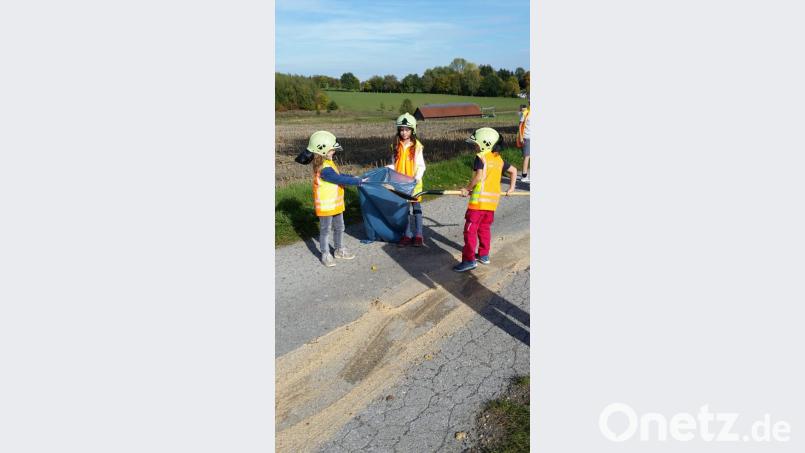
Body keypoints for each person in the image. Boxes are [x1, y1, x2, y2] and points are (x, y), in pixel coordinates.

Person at [453, 127, 517, 272]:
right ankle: (484, 255)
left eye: (476, 144)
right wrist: (511, 188)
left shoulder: (481, 157)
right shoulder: (498, 159)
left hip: (478, 204)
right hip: (491, 205)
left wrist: (467, 189)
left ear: (484, 144)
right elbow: (514, 171)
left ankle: (469, 260)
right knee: (484, 228)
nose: (475, 147)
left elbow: (479, 177)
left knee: (470, 231)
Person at [308, 130, 366, 267]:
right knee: (325, 230)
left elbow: (339, 175)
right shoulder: (324, 169)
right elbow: (338, 179)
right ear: (322, 150)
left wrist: (353, 177)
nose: (334, 151)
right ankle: (325, 254)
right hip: (326, 207)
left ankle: (339, 250)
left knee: (340, 227)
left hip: (336, 204)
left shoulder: (329, 163)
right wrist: (357, 182)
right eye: (331, 150)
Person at [386, 113, 427, 247]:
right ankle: (407, 235)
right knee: (404, 210)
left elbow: (421, 165)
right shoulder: (395, 145)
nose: (404, 132)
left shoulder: (417, 146)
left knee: (416, 208)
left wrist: (416, 178)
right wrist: (387, 169)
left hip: (414, 184)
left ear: (412, 130)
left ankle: (419, 235)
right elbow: (394, 164)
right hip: (400, 184)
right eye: (402, 129)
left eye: (407, 130)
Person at [516, 103, 531, 183]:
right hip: (526, 137)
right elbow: (520, 125)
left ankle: (524, 174)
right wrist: (521, 137)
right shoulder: (526, 113)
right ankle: (524, 176)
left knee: (528, 156)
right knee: (526, 156)